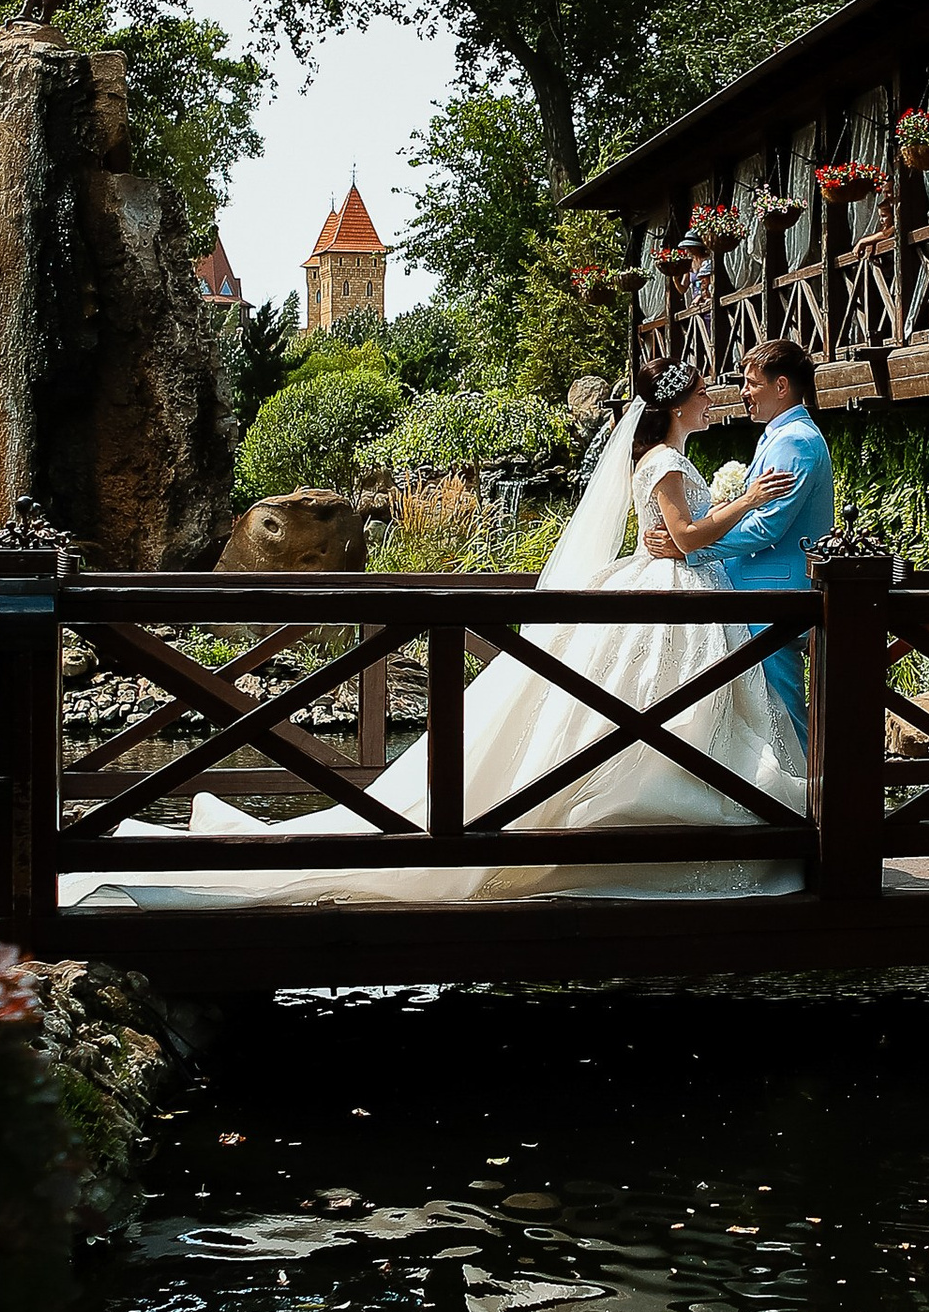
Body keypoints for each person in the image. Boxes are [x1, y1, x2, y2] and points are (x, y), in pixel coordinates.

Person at [62, 359, 810, 910]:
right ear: (679, 403)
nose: (716, 399)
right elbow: (678, 536)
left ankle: (698, 829)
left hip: (676, 596)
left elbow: (663, 541)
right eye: (707, 392)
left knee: (654, 722)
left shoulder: (665, 455)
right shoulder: (668, 459)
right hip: (671, 602)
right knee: (649, 720)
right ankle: (658, 839)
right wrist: (744, 500)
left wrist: (707, 521)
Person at [646, 338, 834, 747]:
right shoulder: (777, 435)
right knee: (759, 711)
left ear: (781, 386)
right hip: (754, 590)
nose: (743, 393)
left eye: (751, 384)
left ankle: (803, 800)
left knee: (781, 708)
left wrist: (692, 548)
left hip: (774, 594)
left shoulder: (794, 442)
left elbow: (767, 527)